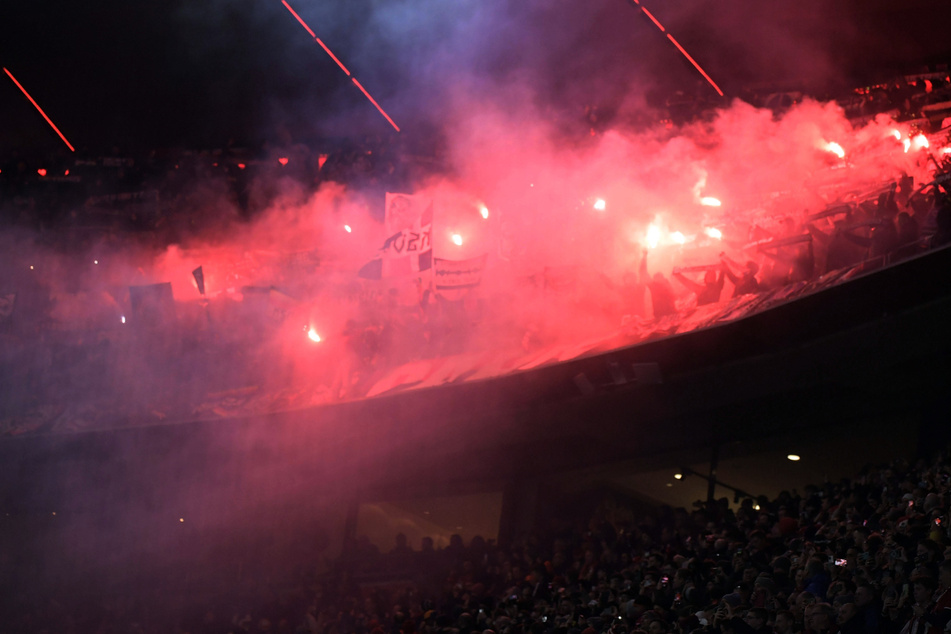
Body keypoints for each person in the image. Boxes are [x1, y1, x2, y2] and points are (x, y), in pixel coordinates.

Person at [639, 249, 676, 319]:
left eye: (660, 277)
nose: (659, 279)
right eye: (657, 278)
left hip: (672, 314)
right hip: (660, 316)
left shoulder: (667, 284)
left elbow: (674, 297)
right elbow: (643, 271)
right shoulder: (653, 286)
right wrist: (644, 257)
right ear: (654, 279)